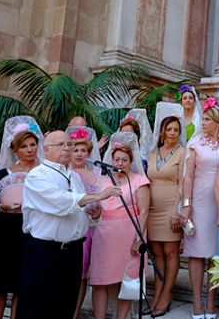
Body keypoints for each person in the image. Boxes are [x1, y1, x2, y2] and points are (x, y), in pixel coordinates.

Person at [17, 131, 121, 319]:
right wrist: (98, 196)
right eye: (60, 145)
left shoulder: (74, 176)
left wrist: (93, 215)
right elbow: (61, 202)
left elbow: (77, 211)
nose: (67, 148)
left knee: (66, 305)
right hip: (45, 251)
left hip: (73, 251)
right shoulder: (37, 175)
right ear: (46, 149)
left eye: (69, 144)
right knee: (38, 307)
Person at [0, 117, 45, 319]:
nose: (29, 149)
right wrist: (2, 206)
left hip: (31, 229)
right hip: (4, 228)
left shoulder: (44, 174)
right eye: (24, 146)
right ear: (15, 150)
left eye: (32, 145)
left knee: (23, 283)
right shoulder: (3, 174)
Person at [183, 98, 219, 319]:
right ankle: (196, 304)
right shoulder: (195, 145)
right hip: (199, 201)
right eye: (202, 119)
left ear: (216, 123)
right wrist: (186, 205)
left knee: (214, 253)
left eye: (206, 119)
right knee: (196, 254)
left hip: (218, 202)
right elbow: (188, 177)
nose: (202, 122)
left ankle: (211, 303)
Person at [90, 133, 150, 319]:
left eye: (124, 159)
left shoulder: (140, 181)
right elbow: (99, 207)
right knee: (100, 280)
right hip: (104, 234)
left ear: (131, 161)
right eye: (117, 159)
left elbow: (144, 212)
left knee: (127, 281)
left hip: (129, 233)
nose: (120, 163)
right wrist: (96, 213)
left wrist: (138, 239)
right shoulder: (103, 181)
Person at [144, 111, 185, 316]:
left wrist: (177, 211)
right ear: (161, 132)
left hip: (170, 208)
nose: (172, 133)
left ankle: (167, 295)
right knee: (157, 253)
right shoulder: (152, 154)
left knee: (170, 252)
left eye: (176, 130)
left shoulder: (182, 152)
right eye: (169, 129)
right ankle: (157, 295)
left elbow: (182, 184)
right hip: (151, 210)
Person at [67, 136, 101, 319]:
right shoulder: (63, 173)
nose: (79, 154)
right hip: (64, 226)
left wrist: (96, 210)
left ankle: (75, 312)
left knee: (81, 272)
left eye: (83, 151)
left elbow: (99, 201)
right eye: (75, 150)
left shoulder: (94, 175)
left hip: (86, 228)